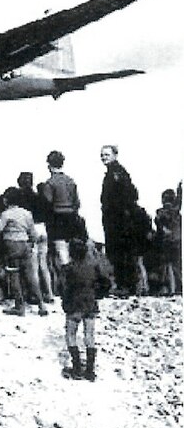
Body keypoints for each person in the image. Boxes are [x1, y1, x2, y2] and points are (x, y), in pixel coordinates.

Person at [0, 187, 44, 316]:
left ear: (7, 200)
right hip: (25, 244)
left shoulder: (6, 214)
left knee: (14, 275)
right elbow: (32, 232)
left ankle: (19, 306)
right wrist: (31, 243)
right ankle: (41, 305)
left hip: (11, 245)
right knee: (30, 276)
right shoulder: (26, 213)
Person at [61, 238, 111, 381]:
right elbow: (106, 282)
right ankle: (90, 370)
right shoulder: (93, 266)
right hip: (90, 302)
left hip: (74, 303)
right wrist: (98, 294)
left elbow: (62, 287)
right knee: (89, 335)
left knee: (71, 334)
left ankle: (76, 367)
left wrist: (65, 302)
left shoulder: (68, 268)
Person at [100, 145, 140, 295]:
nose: (104, 157)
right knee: (121, 253)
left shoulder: (116, 173)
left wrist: (120, 213)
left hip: (118, 221)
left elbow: (129, 195)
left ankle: (125, 286)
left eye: (107, 155)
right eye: (102, 155)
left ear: (115, 155)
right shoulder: (116, 172)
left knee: (119, 253)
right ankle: (127, 285)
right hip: (117, 219)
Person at [17, 172, 54, 305]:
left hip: (31, 230)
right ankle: (49, 293)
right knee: (43, 265)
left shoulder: (21, 199)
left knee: (33, 267)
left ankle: (35, 295)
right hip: (42, 229)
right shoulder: (39, 197)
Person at [42, 150, 81, 270]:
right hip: (71, 216)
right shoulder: (70, 181)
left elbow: (47, 203)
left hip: (57, 217)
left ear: (49, 165)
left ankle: (66, 275)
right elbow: (77, 202)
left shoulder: (49, 183)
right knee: (71, 248)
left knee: (61, 249)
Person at [155, 186, 182, 296]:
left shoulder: (161, 213)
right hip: (177, 241)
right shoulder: (176, 213)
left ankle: (168, 288)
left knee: (167, 266)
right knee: (176, 266)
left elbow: (159, 225)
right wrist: (180, 190)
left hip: (166, 242)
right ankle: (177, 287)